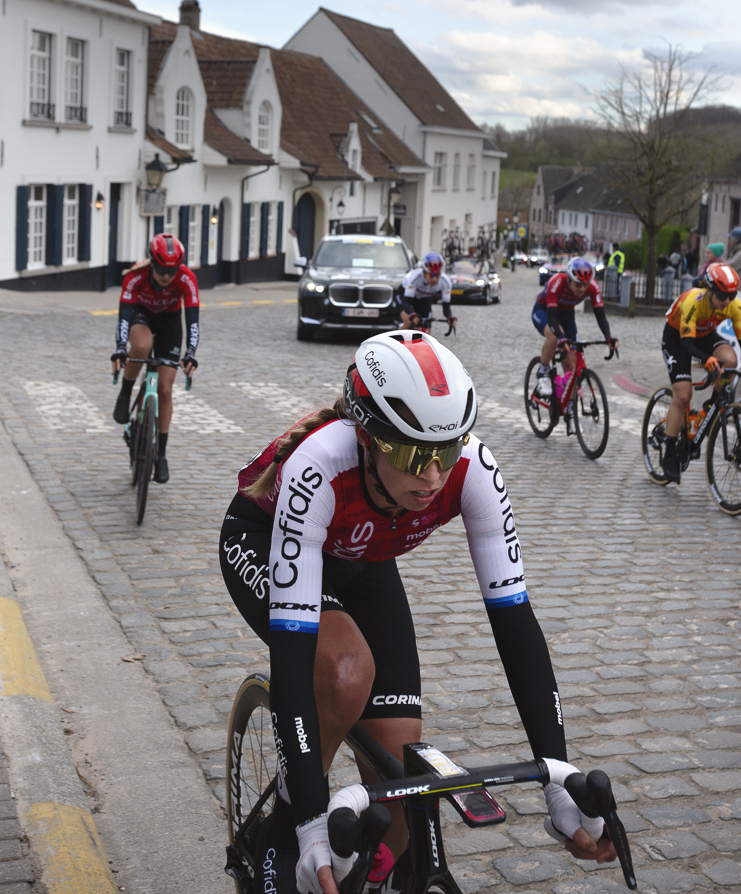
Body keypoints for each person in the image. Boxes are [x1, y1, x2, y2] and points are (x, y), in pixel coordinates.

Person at [220, 332, 618, 894]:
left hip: (363, 560)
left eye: (446, 450)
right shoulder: (319, 467)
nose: (433, 476)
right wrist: (310, 818)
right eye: (412, 454)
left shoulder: (473, 469)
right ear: (365, 437)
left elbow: (515, 624)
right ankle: (281, 837)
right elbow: (293, 653)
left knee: (402, 785)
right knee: (343, 671)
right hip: (265, 541)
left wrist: (558, 779)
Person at [660, 262, 741, 483]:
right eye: (721, 295)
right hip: (677, 339)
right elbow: (687, 346)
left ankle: (713, 404)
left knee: (730, 360)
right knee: (682, 396)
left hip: (704, 335)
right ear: (709, 289)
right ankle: (669, 453)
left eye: (732, 295)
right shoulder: (693, 301)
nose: (727, 300)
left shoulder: (733, 306)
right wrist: (706, 359)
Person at [110, 233, 199, 484]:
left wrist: (191, 352)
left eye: (172, 270)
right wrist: (119, 346)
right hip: (142, 315)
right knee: (141, 345)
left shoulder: (186, 279)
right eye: (161, 268)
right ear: (152, 262)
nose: (166, 276)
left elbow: (192, 320)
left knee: (165, 390)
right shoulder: (135, 276)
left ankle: (160, 455)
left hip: (170, 322)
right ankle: (126, 393)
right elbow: (123, 317)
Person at [532, 257, 618, 396]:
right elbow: (552, 317)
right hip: (544, 311)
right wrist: (561, 337)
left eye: (585, 284)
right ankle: (543, 372)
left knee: (572, 366)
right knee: (554, 338)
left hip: (567, 314)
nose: (582, 288)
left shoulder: (593, 287)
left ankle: (570, 409)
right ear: (569, 279)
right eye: (578, 284)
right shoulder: (556, 282)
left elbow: (600, 316)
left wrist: (608, 337)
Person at [399, 252, 456, 332]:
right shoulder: (416, 277)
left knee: (426, 330)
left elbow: (446, 306)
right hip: (406, 297)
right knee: (409, 322)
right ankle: (394, 340)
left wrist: (449, 317)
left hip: (424, 299)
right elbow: (407, 302)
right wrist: (412, 314)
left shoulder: (445, 281)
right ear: (424, 273)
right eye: (431, 275)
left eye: (437, 275)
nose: (434, 279)